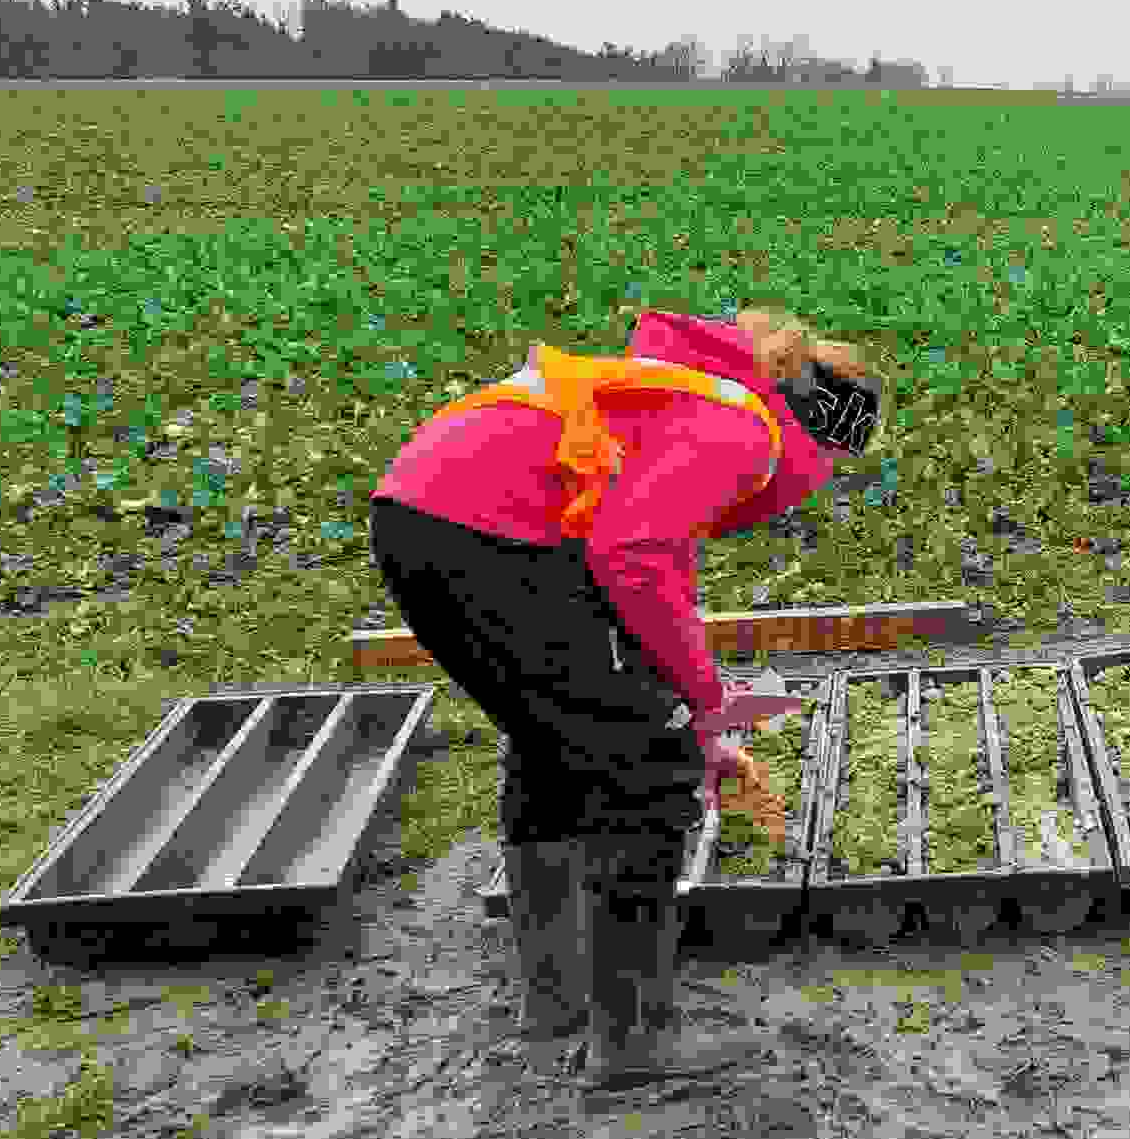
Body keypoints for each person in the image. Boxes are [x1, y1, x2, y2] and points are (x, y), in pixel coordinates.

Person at [369, 304, 882, 1089]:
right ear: (819, 439)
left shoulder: (696, 398)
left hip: (423, 519)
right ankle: (633, 1044)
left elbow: (649, 561)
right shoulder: (749, 431)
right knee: (645, 768)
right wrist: (701, 713)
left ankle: (556, 996)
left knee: (555, 741)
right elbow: (632, 556)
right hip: (486, 535)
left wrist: (697, 703)